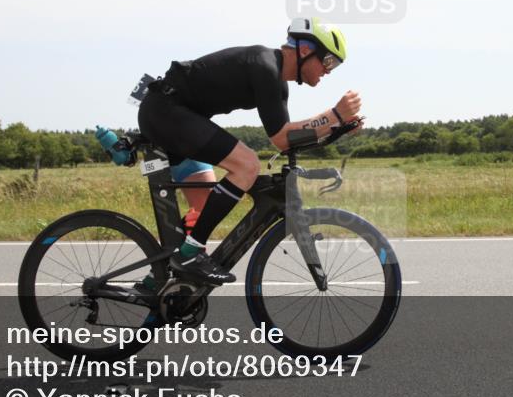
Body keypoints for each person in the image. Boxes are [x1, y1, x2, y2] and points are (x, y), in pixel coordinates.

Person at [137, 17, 361, 284]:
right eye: (328, 62)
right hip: (165, 110)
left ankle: (159, 281)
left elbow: (287, 139)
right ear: (304, 50)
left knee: (205, 204)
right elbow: (281, 138)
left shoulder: (277, 81)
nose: (329, 70)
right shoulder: (263, 65)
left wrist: (337, 128)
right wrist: (334, 115)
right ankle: (190, 254)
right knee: (246, 164)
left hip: (174, 114)